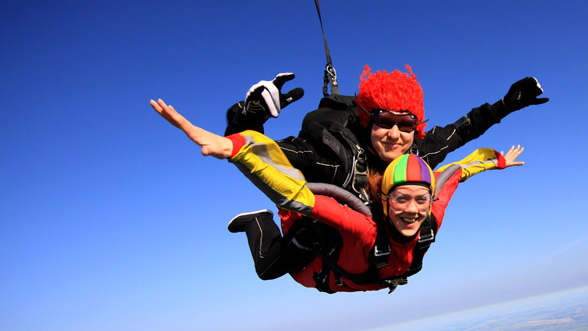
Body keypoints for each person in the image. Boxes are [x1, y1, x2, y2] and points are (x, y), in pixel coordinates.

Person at [150, 99, 524, 293]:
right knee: (268, 269)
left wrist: (499, 160)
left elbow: (456, 171)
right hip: (316, 261)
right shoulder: (361, 224)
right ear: (384, 200)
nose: (412, 210)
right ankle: (257, 221)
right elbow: (296, 192)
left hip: (351, 272)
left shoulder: (430, 211)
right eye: (401, 200)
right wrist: (236, 147)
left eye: (420, 201)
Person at [217, 66, 547, 278]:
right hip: (324, 232)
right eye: (383, 122)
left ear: (416, 128)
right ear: (368, 122)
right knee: (269, 268)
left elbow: (463, 130)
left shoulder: (417, 154)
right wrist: (249, 118)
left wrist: (506, 103)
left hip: (371, 252)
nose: (394, 135)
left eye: (405, 125)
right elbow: (255, 152)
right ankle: (257, 221)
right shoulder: (333, 157)